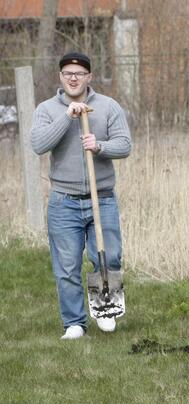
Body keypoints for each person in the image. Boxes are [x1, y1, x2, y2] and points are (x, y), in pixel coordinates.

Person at [31, 52, 132, 340]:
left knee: (109, 257)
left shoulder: (108, 106)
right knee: (66, 266)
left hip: (103, 199)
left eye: (79, 73)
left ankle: (105, 310)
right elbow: (39, 144)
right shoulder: (47, 109)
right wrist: (68, 116)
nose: (73, 78)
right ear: (61, 78)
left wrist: (99, 146)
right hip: (64, 201)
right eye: (68, 73)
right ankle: (74, 323)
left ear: (89, 76)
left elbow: (124, 145)